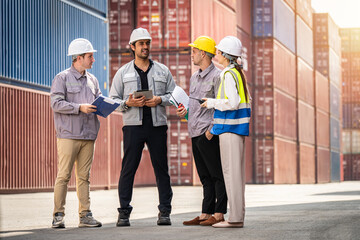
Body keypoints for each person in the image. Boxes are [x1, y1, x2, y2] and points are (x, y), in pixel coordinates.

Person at [109, 27, 176, 227]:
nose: (145, 46)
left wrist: (159, 100)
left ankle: (165, 211)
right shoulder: (123, 73)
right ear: (132, 47)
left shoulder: (163, 71)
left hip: (157, 126)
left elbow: (174, 96)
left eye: (147, 43)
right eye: (141, 44)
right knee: (128, 169)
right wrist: (129, 103)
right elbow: (113, 100)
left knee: (161, 169)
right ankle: (123, 213)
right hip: (133, 127)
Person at [50, 38, 102, 228]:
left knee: (84, 178)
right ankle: (58, 215)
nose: (93, 60)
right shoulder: (62, 78)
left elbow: (98, 101)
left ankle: (85, 216)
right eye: (90, 56)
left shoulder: (93, 80)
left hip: (88, 135)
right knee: (63, 175)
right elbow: (55, 103)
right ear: (78, 58)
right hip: (68, 135)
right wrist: (79, 107)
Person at [201, 36, 251, 228]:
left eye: (219, 51)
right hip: (235, 130)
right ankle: (237, 216)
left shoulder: (228, 74)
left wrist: (211, 102)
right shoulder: (236, 73)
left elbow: (232, 102)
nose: (216, 54)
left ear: (224, 54)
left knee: (231, 175)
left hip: (230, 130)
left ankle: (235, 219)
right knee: (236, 176)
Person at [177, 36, 227, 226]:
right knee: (204, 176)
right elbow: (195, 107)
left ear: (204, 53)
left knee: (217, 175)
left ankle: (220, 212)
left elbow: (221, 105)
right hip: (195, 132)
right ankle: (206, 213)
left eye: (194, 51)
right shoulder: (194, 77)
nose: (192, 55)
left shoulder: (218, 76)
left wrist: (212, 130)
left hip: (208, 132)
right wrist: (185, 113)